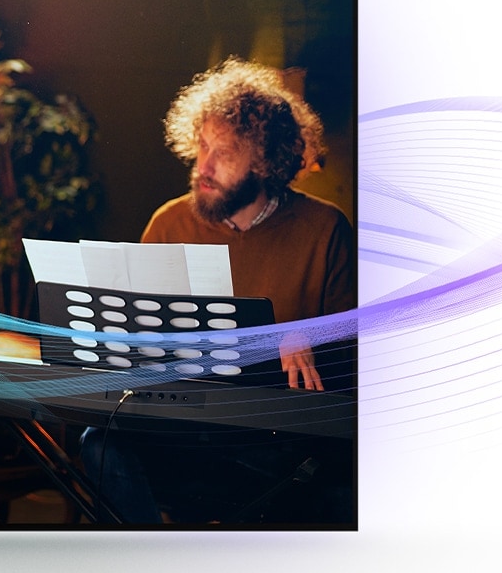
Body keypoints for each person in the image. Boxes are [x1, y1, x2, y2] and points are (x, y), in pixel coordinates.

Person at [79, 58, 356, 524]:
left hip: (276, 445)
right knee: (100, 442)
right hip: (184, 431)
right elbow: (134, 343)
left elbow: (358, 354)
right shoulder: (169, 223)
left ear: (266, 161)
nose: (202, 166)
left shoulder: (324, 229)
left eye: (224, 153)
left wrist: (309, 333)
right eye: (202, 145)